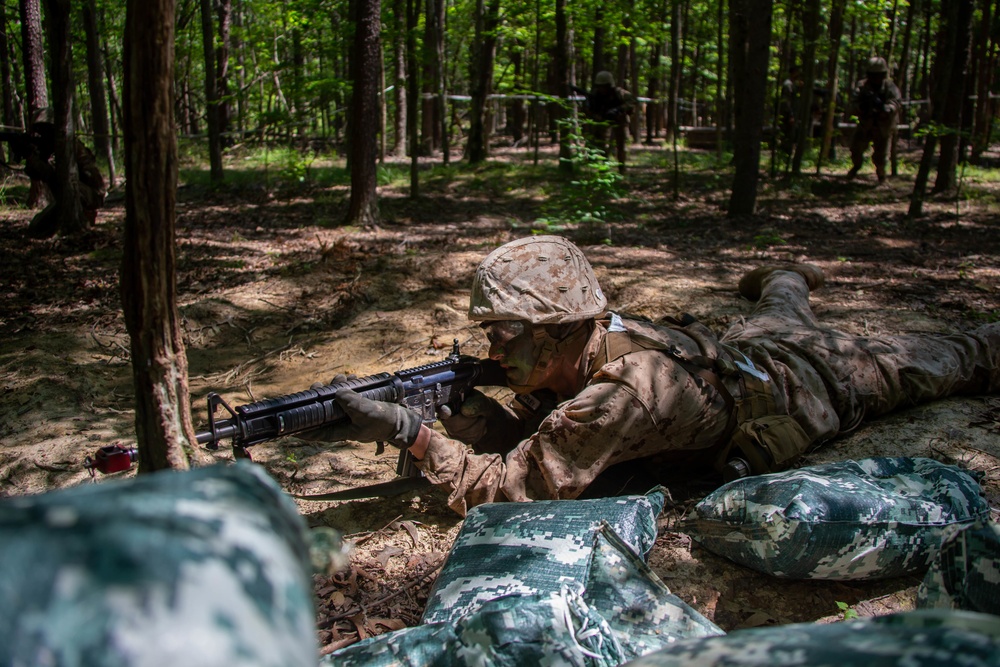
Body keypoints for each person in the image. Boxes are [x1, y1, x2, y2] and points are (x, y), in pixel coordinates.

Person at [307, 236, 1000, 517]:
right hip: (743, 347)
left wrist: (417, 435)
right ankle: (787, 276)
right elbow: (534, 426)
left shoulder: (625, 391)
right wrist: (466, 410)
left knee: (955, 358)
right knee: (777, 308)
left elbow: (512, 486)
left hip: (816, 376)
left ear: (558, 329)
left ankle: (791, 282)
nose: (493, 345)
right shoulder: (590, 337)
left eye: (505, 331)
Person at [23, 107, 107, 236]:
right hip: (69, 195)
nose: (43, 134)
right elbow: (35, 174)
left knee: (41, 229)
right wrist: (31, 158)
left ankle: (84, 216)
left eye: (46, 130)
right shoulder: (49, 149)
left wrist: (40, 162)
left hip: (90, 194)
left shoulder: (71, 147)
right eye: (40, 131)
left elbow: (55, 175)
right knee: (36, 227)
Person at [846, 57, 902, 184]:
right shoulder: (863, 86)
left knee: (881, 155)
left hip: (883, 126)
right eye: (873, 75)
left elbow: (896, 102)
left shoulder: (889, 86)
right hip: (866, 123)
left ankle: (881, 175)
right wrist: (862, 107)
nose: (876, 78)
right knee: (856, 148)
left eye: (878, 75)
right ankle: (856, 166)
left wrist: (887, 109)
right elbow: (853, 103)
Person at [579, 71, 634, 173]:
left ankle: (622, 168)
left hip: (619, 120)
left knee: (620, 146)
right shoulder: (596, 95)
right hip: (604, 121)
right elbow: (591, 110)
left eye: (604, 86)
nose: (602, 89)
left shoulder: (619, 93)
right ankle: (604, 167)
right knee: (602, 144)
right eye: (600, 86)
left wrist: (618, 109)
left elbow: (631, 103)